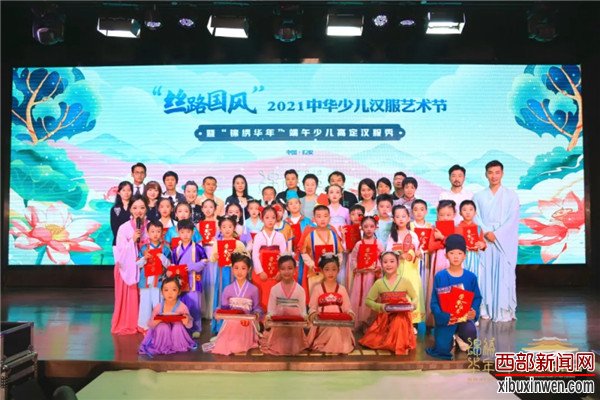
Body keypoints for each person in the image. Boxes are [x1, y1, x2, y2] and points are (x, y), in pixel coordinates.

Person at [473, 160, 519, 322]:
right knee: (484, 273)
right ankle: (484, 308)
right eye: (491, 172)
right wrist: (486, 232)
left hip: (503, 241)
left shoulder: (511, 196)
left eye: (497, 172)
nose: (494, 176)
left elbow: (513, 219)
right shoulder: (478, 196)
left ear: (502, 173)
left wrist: (497, 234)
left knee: (504, 273)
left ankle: (503, 309)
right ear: (486, 174)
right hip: (485, 239)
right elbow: (475, 216)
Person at [426, 234, 482, 360]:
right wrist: (443, 316)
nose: (456, 257)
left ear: (464, 256)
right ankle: (450, 338)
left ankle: (461, 337)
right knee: (443, 348)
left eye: (459, 253)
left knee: (470, 332)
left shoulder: (471, 277)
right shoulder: (440, 276)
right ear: (446, 255)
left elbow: (477, 298)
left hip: (464, 319)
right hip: (446, 319)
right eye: (451, 253)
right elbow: (434, 302)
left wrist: (473, 311)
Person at [359, 251, 418, 356]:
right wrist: (381, 307)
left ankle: (399, 345)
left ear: (398, 263)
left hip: (402, 315)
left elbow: (415, 297)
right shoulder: (379, 283)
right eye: (385, 262)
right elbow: (368, 301)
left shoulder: (405, 281)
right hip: (385, 317)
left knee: (399, 320)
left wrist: (413, 305)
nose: (388, 264)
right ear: (381, 264)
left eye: (392, 261)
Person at [210, 252, 262, 355]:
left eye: (243, 268)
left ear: (249, 269)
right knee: (223, 344)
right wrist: (217, 312)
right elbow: (223, 308)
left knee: (237, 343)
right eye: (236, 268)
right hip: (231, 323)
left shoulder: (254, 289)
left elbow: (257, 307)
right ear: (232, 269)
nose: (239, 272)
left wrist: (257, 314)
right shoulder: (227, 289)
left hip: (246, 323)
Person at [111, 195, 148, 335]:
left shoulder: (150, 226)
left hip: (145, 267)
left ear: (146, 209)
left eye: (142, 207)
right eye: (135, 208)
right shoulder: (124, 228)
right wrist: (132, 241)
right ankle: (129, 322)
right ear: (130, 210)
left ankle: (144, 323)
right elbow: (121, 252)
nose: (139, 211)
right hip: (128, 267)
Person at [260, 255, 308, 356]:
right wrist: (269, 317)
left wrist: (305, 317)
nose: (286, 272)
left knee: (293, 348)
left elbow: (303, 311)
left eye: (290, 268)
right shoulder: (274, 289)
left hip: (295, 326)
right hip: (279, 325)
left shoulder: (300, 290)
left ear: (295, 269)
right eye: (283, 269)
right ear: (279, 270)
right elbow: (271, 310)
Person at [307, 254, 355, 354]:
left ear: (338, 270)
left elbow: (347, 307)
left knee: (335, 330)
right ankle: (322, 341)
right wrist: (313, 314)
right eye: (327, 269)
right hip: (322, 323)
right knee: (332, 330)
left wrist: (350, 313)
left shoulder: (342, 289)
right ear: (321, 270)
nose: (330, 273)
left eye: (334, 269)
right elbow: (312, 308)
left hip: (339, 323)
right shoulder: (317, 288)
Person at [138, 277, 196, 356]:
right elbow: (150, 324)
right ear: (162, 292)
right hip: (162, 334)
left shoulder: (182, 307)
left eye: (174, 290)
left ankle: (177, 346)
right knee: (162, 326)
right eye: (166, 290)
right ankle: (162, 346)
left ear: (179, 292)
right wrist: (156, 322)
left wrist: (186, 321)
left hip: (177, 336)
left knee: (178, 326)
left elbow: (190, 324)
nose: (170, 293)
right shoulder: (158, 307)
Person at [386, 205, 424, 326]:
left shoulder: (413, 235)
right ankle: (399, 322)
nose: (401, 219)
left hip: (411, 270)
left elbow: (419, 250)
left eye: (403, 216)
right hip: (398, 271)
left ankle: (412, 323)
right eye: (397, 216)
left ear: (408, 218)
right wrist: (398, 256)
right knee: (400, 293)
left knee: (412, 293)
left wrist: (419, 253)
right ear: (393, 219)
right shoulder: (392, 236)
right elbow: (388, 253)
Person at [171, 219, 208, 337]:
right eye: (182, 232)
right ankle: (183, 328)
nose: (185, 235)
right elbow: (173, 265)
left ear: (193, 232)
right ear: (178, 232)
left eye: (188, 232)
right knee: (182, 305)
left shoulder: (198, 248)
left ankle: (196, 328)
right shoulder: (175, 250)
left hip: (193, 281)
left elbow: (205, 261)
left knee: (194, 305)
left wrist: (192, 266)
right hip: (180, 282)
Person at [209, 216, 247, 334]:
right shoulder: (217, 243)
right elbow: (212, 259)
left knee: (235, 295)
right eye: (224, 227)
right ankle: (220, 326)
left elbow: (246, 257)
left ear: (234, 228)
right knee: (222, 294)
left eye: (230, 227)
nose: (227, 229)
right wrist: (215, 256)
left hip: (235, 274)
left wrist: (239, 257)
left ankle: (235, 325)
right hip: (221, 273)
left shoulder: (238, 243)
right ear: (220, 229)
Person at [349, 215, 384, 330]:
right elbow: (353, 258)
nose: (369, 229)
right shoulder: (359, 244)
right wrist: (357, 268)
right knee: (360, 297)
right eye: (366, 226)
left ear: (376, 227)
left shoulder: (378, 244)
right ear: (361, 228)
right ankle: (360, 321)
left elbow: (382, 258)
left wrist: (378, 267)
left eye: (371, 226)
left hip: (372, 275)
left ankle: (369, 323)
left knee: (371, 296)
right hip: (361, 275)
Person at [136, 220, 171, 332]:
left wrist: (162, 257)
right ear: (147, 232)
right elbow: (138, 264)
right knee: (145, 303)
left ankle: (159, 325)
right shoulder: (144, 248)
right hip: (145, 280)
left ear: (162, 233)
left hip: (159, 280)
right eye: (152, 231)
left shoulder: (165, 249)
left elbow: (169, 265)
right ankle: (144, 326)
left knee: (158, 303)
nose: (155, 234)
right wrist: (144, 258)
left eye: (158, 231)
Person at [425, 200, 456, 327]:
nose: (445, 217)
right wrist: (444, 242)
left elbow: (456, 245)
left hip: (452, 261)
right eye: (442, 215)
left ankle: (453, 319)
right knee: (437, 285)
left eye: (448, 215)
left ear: (454, 214)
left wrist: (442, 238)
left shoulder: (456, 229)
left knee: (452, 286)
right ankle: (434, 320)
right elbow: (431, 247)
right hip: (438, 259)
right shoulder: (434, 229)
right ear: (437, 214)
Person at [251, 206, 288, 312]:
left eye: (273, 217)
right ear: (262, 219)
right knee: (262, 295)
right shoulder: (258, 236)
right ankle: (261, 318)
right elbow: (255, 255)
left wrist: (280, 272)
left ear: (276, 218)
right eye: (267, 217)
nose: (270, 220)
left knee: (275, 296)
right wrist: (260, 271)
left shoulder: (280, 236)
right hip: (262, 272)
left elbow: (284, 255)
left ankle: (275, 318)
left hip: (276, 272)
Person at [300, 205, 342, 296]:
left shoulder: (333, 234)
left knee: (330, 297)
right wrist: (312, 264)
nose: (322, 219)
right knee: (315, 298)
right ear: (314, 219)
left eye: (325, 216)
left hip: (331, 274)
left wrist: (337, 265)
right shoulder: (310, 235)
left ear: (329, 218)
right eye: (319, 216)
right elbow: (303, 252)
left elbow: (339, 252)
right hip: (315, 273)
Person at [455, 200, 486, 289]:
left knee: (474, 278)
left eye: (471, 210)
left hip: (474, 257)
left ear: (475, 213)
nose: (468, 212)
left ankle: (474, 297)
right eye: (464, 210)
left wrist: (482, 245)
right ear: (460, 213)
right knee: (461, 280)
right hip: (461, 257)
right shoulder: (457, 228)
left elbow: (483, 243)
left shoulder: (478, 228)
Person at [410, 199, 432, 307]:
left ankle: (424, 311)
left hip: (426, 258)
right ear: (411, 212)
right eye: (415, 209)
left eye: (422, 209)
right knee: (413, 283)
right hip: (412, 259)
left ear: (426, 211)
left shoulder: (430, 226)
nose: (419, 212)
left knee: (425, 283)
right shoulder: (409, 226)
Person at [110, 181, 133, 246]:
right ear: (119, 192)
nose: (126, 193)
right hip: (119, 241)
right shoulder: (115, 209)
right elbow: (114, 228)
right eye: (123, 190)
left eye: (129, 190)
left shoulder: (135, 207)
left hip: (133, 241)